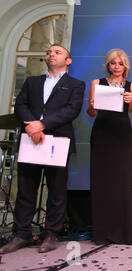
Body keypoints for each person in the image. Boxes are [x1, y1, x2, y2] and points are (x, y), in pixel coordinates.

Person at [0, 44, 85, 254]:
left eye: (57, 52)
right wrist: (32, 125)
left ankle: (51, 234)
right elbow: (20, 105)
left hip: (58, 141)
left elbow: (71, 110)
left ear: (68, 60)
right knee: (26, 189)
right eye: (49, 52)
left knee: (56, 190)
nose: (51, 54)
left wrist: (43, 124)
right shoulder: (32, 82)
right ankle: (21, 233)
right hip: (31, 139)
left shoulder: (75, 84)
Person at [86, 49, 132, 245]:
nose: (117, 67)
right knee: (101, 181)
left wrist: (131, 100)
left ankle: (122, 232)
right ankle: (101, 232)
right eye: (113, 63)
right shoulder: (96, 83)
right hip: (102, 134)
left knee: (122, 182)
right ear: (108, 65)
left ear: (126, 66)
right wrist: (92, 105)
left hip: (122, 134)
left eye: (120, 64)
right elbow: (91, 112)